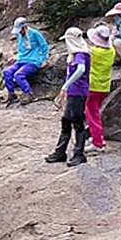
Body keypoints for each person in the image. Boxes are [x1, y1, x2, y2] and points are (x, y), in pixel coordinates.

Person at [46, 27, 92, 166]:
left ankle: (79, 154)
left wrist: (66, 85)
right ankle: (60, 151)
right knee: (66, 120)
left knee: (77, 123)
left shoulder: (80, 55)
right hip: (73, 92)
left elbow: (81, 69)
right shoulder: (76, 54)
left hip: (78, 92)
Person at [3, 17, 49, 106]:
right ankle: (12, 94)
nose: (19, 32)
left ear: (24, 27)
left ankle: (29, 94)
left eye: (20, 30)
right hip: (21, 60)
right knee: (7, 72)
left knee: (18, 75)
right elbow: (21, 49)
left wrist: (44, 59)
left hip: (33, 61)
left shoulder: (35, 34)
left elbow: (44, 46)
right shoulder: (20, 36)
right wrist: (15, 57)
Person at [84, 24, 116, 154]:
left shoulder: (94, 52)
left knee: (92, 115)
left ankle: (98, 143)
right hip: (104, 86)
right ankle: (97, 137)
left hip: (93, 86)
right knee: (95, 112)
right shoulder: (111, 51)